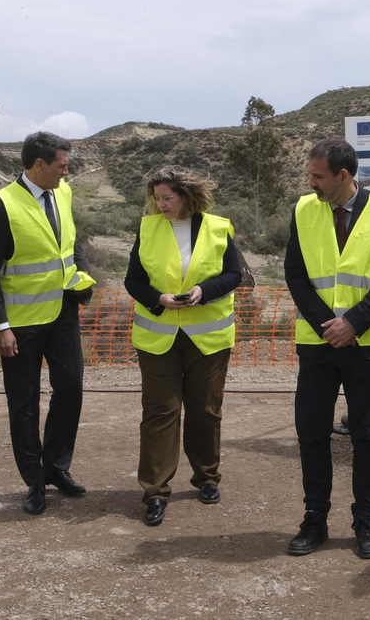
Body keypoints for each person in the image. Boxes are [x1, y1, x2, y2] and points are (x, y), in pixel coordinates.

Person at [283, 138, 370, 560]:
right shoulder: (303, 209)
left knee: (367, 436)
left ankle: (364, 520)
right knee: (312, 432)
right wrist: (328, 326)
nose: (311, 183)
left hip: (368, 345)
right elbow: (295, 274)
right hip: (318, 345)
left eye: (317, 176)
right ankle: (314, 519)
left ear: (343, 175)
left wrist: (353, 323)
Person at [123, 165, 244, 526]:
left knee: (205, 409)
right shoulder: (147, 228)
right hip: (157, 337)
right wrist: (158, 299)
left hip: (208, 338)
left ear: (187, 196)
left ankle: (207, 478)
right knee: (160, 412)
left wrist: (203, 291)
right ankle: (155, 492)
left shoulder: (218, 228)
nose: (160, 204)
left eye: (167, 198)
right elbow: (133, 280)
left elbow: (234, 275)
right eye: (156, 198)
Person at [0, 131, 96, 515]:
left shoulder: (62, 192)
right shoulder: (1, 205)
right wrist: (0, 326)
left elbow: (70, 243)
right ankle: (34, 480)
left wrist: (82, 277)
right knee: (24, 402)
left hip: (63, 312)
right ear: (39, 164)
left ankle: (57, 466)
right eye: (62, 165)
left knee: (71, 387)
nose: (67, 171)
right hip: (21, 323)